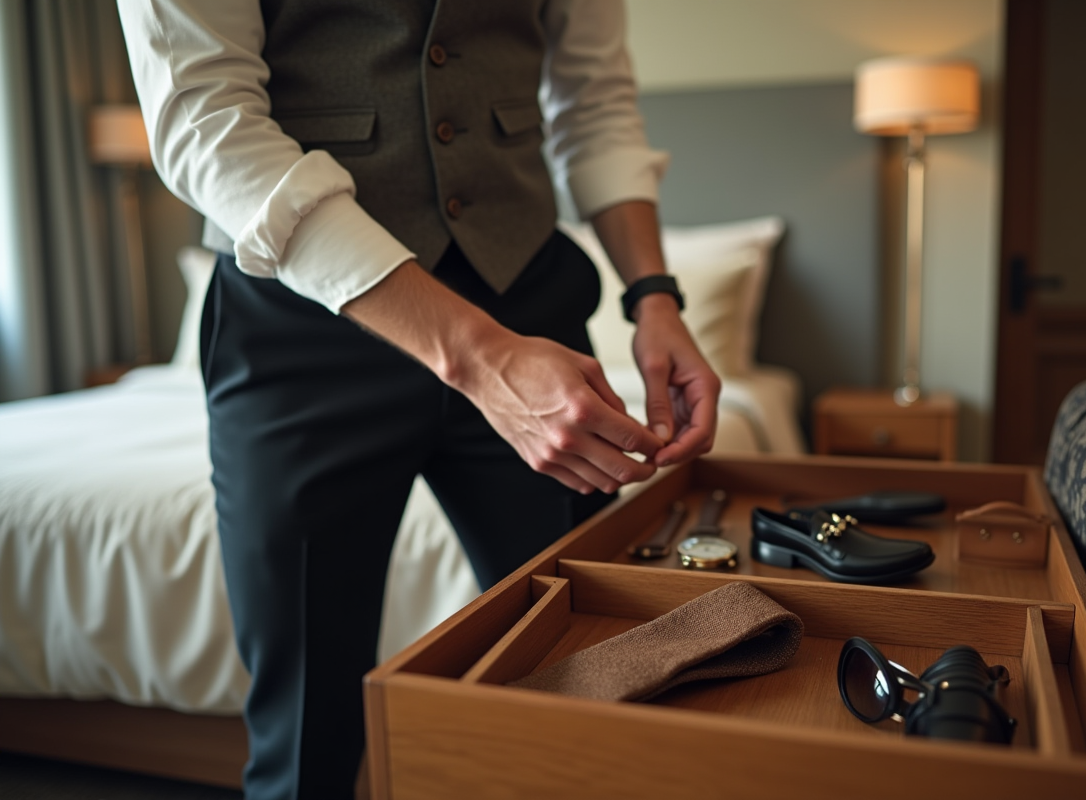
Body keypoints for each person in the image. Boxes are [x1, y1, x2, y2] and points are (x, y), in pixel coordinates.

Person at [117, 1, 720, 798]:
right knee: (307, 730)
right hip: (302, 329)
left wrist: (653, 295)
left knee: (579, 666)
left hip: (530, 303)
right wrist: (481, 358)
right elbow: (205, 119)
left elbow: (593, 99)